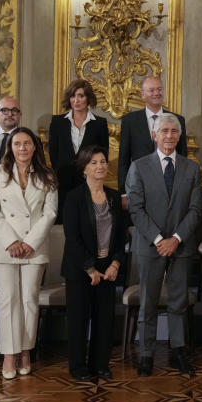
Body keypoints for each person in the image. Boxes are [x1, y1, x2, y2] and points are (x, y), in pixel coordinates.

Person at [126, 113, 202, 377]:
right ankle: (146, 354)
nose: (169, 136)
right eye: (164, 131)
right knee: (148, 301)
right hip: (151, 246)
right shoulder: (139, 166)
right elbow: (135, 209)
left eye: (174, 131)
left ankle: (178, 351)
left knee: (178, 302)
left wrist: (176, 239)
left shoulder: (191, 168)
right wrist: (160, 240)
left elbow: (196, 208)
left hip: (181, 245)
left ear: (179, 135)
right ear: (154, 135)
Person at [0, 127, 58, 380]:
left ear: (35, 147)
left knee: (28, 300)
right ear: (10, 147)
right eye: (17, 143)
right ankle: (8, 354)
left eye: (27, 143)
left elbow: (50, 213)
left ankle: (25, 351)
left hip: (33, 248)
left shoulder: (47, 175)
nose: (22, 148)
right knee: (8, 301)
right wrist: (11, 241)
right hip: (5, 247)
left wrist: (30, 242)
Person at [61, 145, 128, 382]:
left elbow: (121, 236)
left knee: (104, 319)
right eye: (94, 163)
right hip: (80, 270)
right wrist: (90, 268)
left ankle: (100, 365)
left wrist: (115, 264)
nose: (100, 166)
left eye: (102, 162)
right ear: (84, 168)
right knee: (79, 319)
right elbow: (72, 237)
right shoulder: (74, 197)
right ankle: (78, 367)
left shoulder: (113, 196)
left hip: (108, 268)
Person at [117, 76, 188, 207]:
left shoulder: (178, 120)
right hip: (140, 186)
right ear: (143, 95)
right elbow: (124, 160)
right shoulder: (129, 121)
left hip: (170, 185)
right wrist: (124, 193)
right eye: (152, 90)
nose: (157, 93)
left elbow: (182, 155)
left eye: (159, 89)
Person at [48, 79, 111, 221]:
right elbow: (53, 153)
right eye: (72, 96)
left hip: (90, 183)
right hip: (63, 182)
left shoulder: (99, 124)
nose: (76, 100)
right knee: (64, 223)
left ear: (88, 98)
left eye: (81, 96)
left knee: (88, 221)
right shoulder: (58, 122)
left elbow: (103, 154)